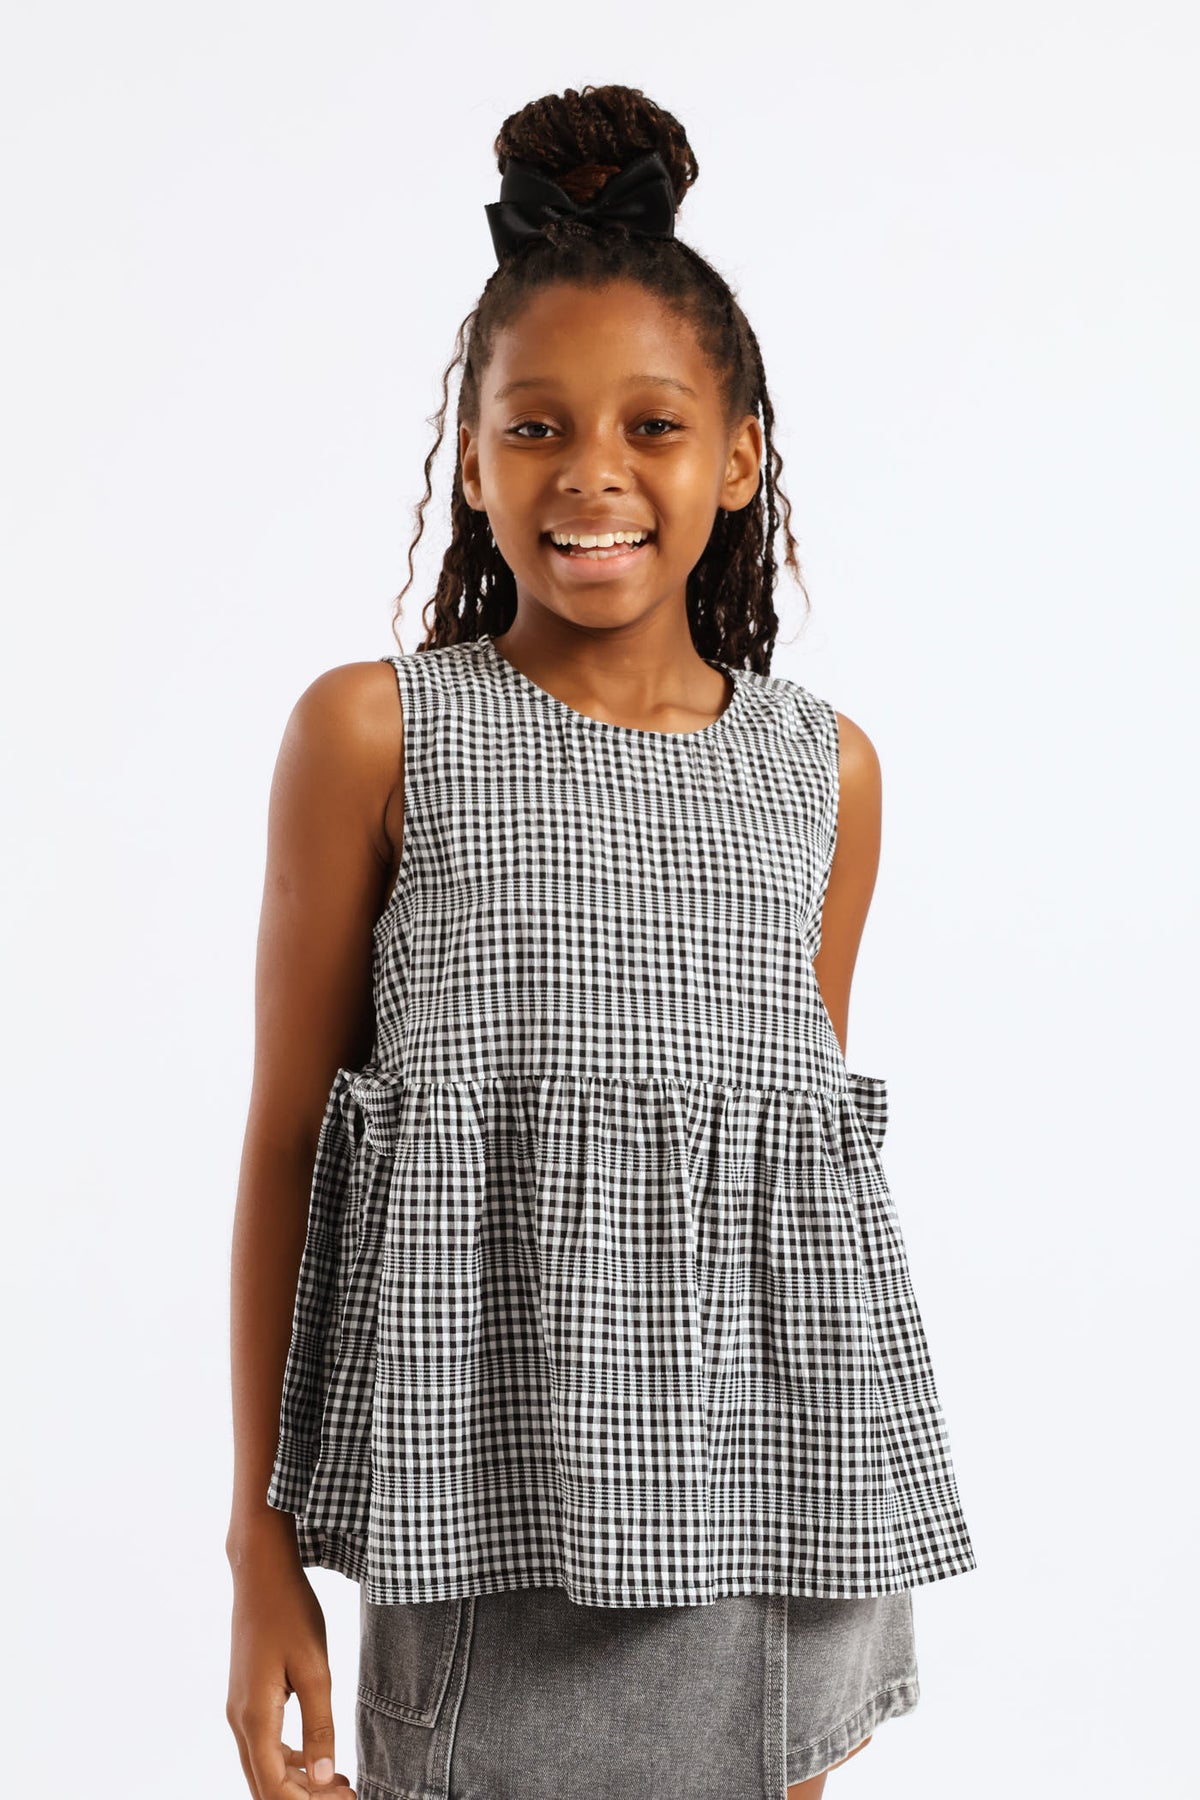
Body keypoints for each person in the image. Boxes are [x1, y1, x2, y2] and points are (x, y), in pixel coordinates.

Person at [225, 82, 976, 1800]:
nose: (592, 475)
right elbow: (287, 1149)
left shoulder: (825, 772)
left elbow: (786, 1173)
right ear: (472, 457)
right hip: (487, 1518)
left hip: (790, 1518)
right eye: (536, 426)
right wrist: (260, 1544)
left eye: (653, 426)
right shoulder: (377, 736)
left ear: (738, 458)